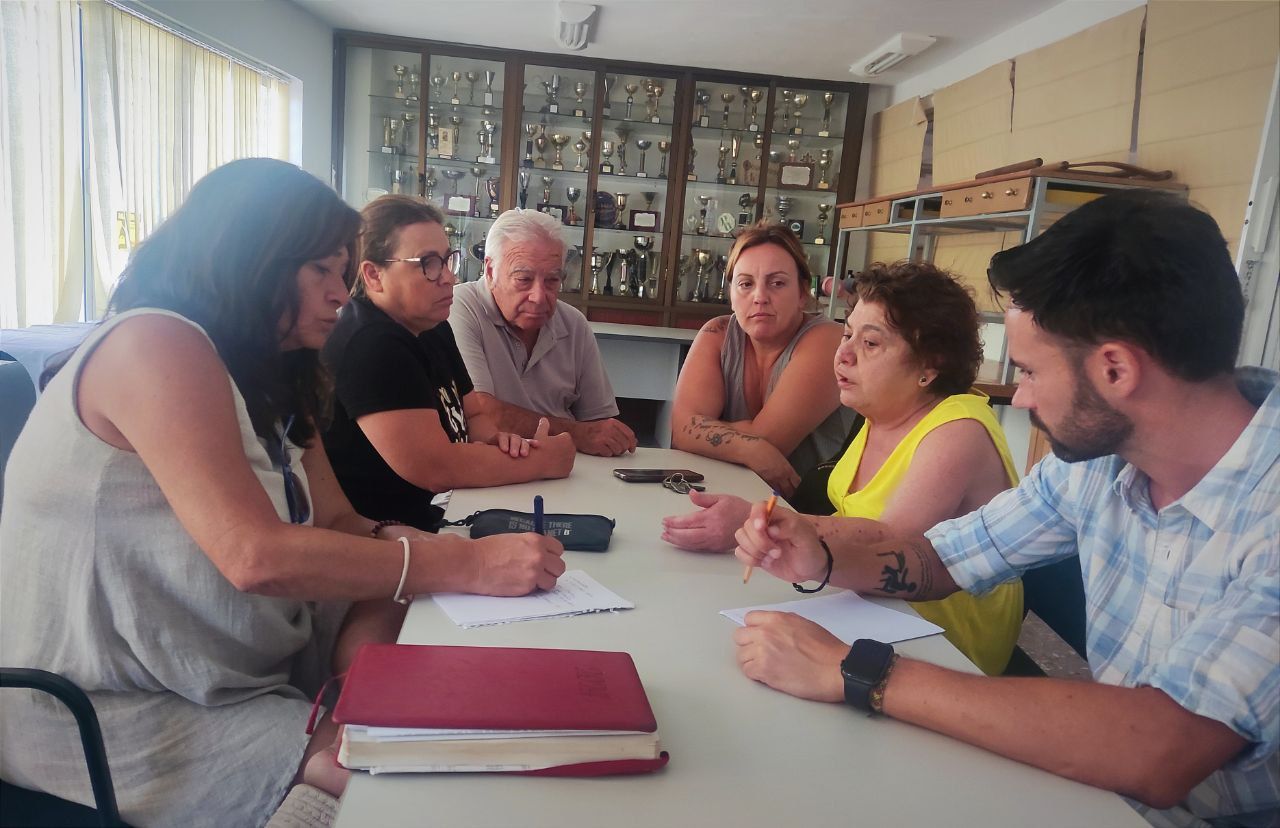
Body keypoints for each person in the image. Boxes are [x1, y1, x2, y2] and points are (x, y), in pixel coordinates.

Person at [0, 160, 566, 828]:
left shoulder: (273, 365)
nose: (339, 292)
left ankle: (339, 722)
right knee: (397, 768)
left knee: (431, 663)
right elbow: (255, 556)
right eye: (321, 270)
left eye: (343, 270)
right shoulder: (154, 343)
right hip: (117, 706)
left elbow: (336, 519)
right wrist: (460, 562)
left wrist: (411, 557)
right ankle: (320, 770)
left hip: (232, 662)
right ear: (251, 259)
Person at [732, 191, 1278, 827]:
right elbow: (944, 556)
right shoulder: (1101, 462)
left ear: (1116, 370)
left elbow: (1159, 749)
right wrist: (823, 555)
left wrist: (853, 670)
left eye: (1029, 371)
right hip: (1090, 794)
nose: (1018, 399)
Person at [665, 261, 1023, 675]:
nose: (844, 353)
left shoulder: (958, 429)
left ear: (929, 366)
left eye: (871, 344)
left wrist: (756, 518)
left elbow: (893, 540)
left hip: (946, 644)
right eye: (848, 333)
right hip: (875, 611)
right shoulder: (881, 412)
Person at [321, 197, 577, 531]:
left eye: (446, 261)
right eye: (428, 264)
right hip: (385, 541)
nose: (448, 279)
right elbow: (436, 468)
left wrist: (499, 442)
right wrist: (544, 460)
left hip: (445, 514)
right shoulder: (370, 343)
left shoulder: (432, 324)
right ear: (373, 274)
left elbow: (473, 415)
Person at [670, 222, 853, 497]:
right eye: (746, 284)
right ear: (731, 295)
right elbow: (681, 431)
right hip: (729, 495)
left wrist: (713, 431)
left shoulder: (828, 340)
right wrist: (752, 446)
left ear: (803, 293)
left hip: (811, 511)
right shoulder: (716, 333)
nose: (760, 297)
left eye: (777, 283)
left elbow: (770, 441)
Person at [448, 209, 637, 457]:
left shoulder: (573, 324)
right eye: (524, 279)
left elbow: (600, 426)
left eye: (552, 281)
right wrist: (576, 433)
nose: (539, 297)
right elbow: (482, 412)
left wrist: (602, 437)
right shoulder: (459, 307)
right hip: (491, 467)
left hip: (566, 469)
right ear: (491, 271)